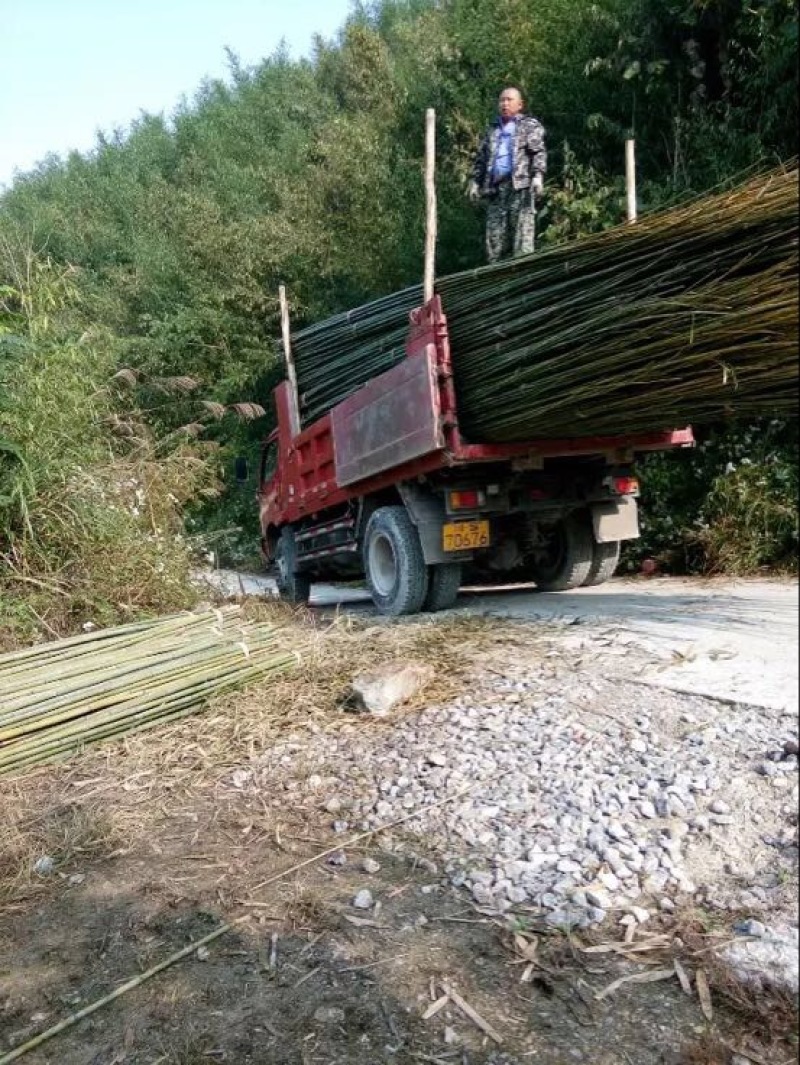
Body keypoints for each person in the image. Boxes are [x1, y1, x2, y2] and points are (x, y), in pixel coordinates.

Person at [468, 87, 547, 264]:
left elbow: (538, 152)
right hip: (495, 190)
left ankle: (523, 278)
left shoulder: (528, 125)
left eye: (509, 100)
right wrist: (475, 182)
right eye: (502, 100)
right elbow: (481, 158)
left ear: (520, 104)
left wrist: (538, 176)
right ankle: (496, 277)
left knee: (522, 236)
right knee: (494, 239)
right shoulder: (492, 129)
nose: (505, 103)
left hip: (520, 188)